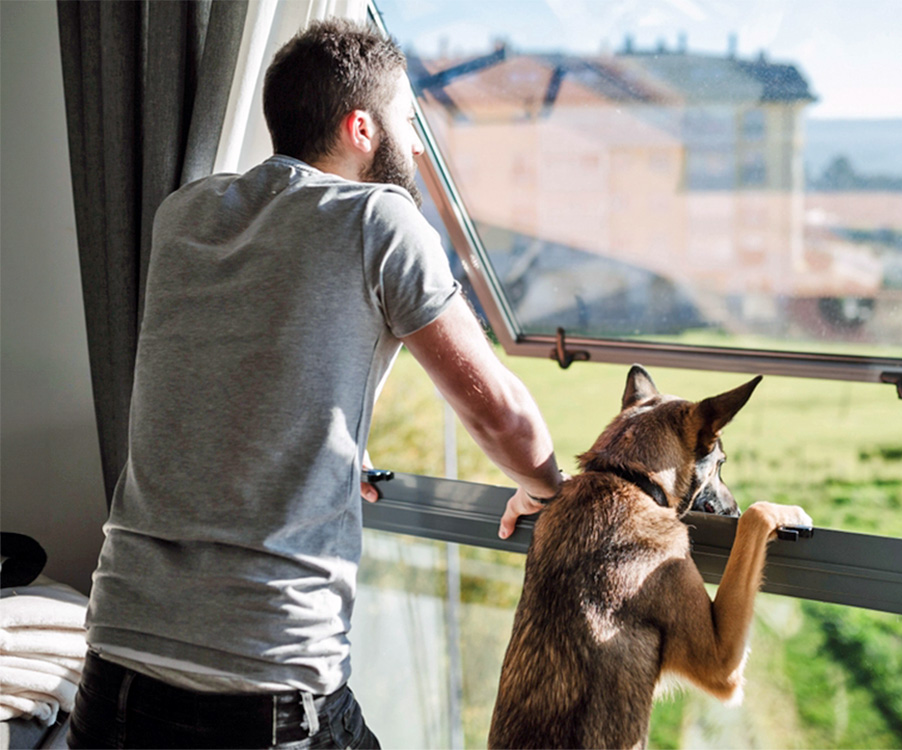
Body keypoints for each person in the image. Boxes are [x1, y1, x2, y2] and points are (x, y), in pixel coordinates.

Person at [67, 17, 562, 749]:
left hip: (116, 664)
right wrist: (548, 489)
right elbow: (501, 417)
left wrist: (328, 450)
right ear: (361, 126)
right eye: (405, 122)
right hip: (260, 680)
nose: (417, 146)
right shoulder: (379, 220)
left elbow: (227, 375)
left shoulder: (184, 215)